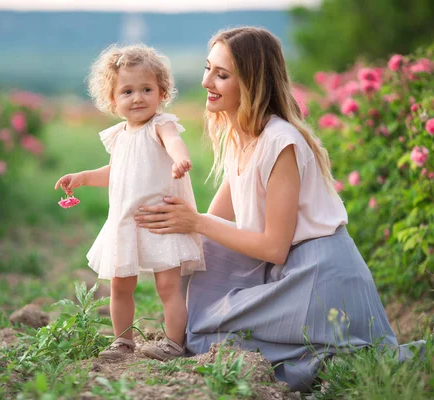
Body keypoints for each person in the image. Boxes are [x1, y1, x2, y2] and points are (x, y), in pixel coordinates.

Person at [134, 27, 411, 391]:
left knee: (211, 339)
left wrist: (196, 221)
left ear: (252, 82)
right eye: (208, 68)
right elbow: (213, 225)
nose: (206, 82)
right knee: (199, 294)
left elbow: (273, 247)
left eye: (222, 74)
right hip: (288, 272)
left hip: (320, 279)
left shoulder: (281, 142)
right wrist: (167, 219)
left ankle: (340, 354)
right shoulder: (240, 136)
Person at [54, 44, 205, 362]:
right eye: (127, 91)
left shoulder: (160, 125)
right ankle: (123, 341)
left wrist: (181, 160)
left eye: (146, 89)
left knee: (168, 287)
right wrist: (82, 177)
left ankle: (174, 342)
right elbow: (116, 171)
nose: (137, 97)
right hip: (126, 222)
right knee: (120, 286)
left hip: (161, 220)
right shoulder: (120, 135)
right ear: (112, 99)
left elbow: (174, 143)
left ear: (161, 92)